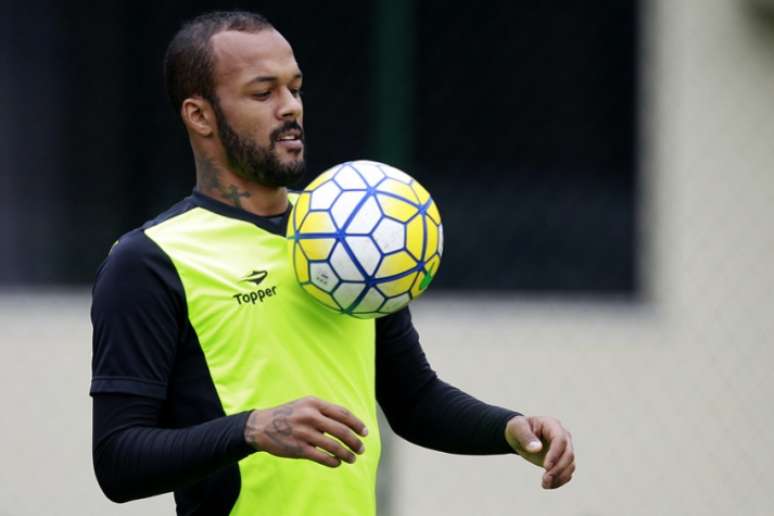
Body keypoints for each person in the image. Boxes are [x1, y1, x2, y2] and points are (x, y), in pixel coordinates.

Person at [90, 10, 575, 516]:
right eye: (263, 93)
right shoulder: (150, 261)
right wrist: (252, 428)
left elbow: (413, 398)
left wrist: (507, 428)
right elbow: (119, 461)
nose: (290, 108)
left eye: (294, 89)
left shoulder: (350, 229)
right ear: (200, 115)